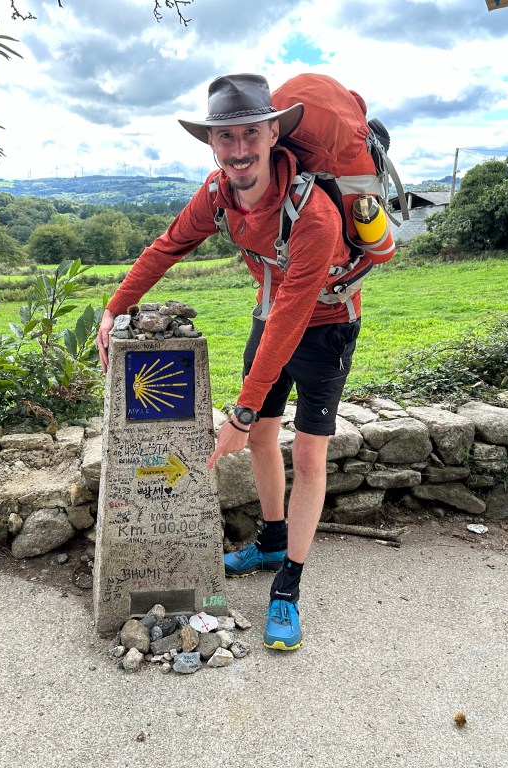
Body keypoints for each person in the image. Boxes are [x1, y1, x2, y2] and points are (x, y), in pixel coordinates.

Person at [96, 73, 361, 651]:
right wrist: (115, 307)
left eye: (249, 134)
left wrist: (241, 410)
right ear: (212, 143)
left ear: (272, 134)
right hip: (271, 314)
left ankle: (288, 587)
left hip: (325, 325)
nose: (239, 150)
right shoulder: (219, 192)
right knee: (263, 436)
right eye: (226, 137)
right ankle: (271, 539)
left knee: (308, 454)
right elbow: (169, 245)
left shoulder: (314, 214)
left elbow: (294, 316)